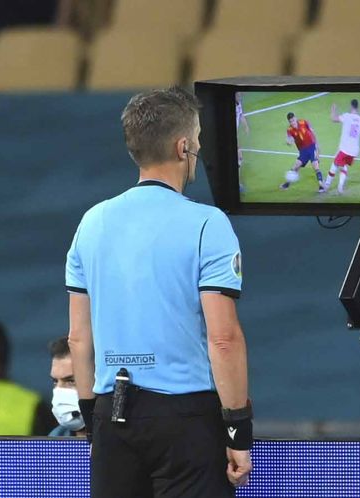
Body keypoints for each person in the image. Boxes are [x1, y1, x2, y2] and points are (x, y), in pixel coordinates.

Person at [66, 86, 253, 497]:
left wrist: (91, 419)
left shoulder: (91, 223)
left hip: (110, 416)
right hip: (185, 419)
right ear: (183, 146)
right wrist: (238, 430)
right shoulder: (208, 224)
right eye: (198, 139)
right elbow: (223, 338)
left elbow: (79, 338)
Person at [324, 99, 360, 194]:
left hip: (344, 148)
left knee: (335, 165)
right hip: (354, 151)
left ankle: (326, 185)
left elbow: (333, 119)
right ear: (357, 107)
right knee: (344, 165)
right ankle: (340, 187)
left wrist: (333, 110)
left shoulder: (347, 116)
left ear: (351, 106)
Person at [48, 336, 86, 437]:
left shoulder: (123, 444)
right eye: (55, 381)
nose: (59, 391)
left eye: (71, 381)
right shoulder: (55, 440)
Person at [280, 112, 325, 192]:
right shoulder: (289, 130)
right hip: (303, 151)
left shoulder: (304, 122)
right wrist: (289, 142)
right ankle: (287, 184)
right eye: (291, 121)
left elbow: (313, 132)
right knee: (295, 167)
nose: (293, 122)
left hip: (311, 147)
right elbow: (289, 139)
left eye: (293, 120)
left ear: (295, 118)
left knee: (315, 166)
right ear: (289, 122)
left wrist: (317, 146)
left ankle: (321, 185)